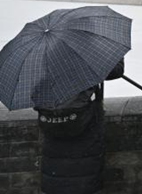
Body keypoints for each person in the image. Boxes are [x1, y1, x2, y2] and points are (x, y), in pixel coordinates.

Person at [36, 59, 125, 194]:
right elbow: (115, 71)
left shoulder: (45, 59)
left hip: (53, 157)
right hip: (86, 145)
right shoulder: (85, 59)